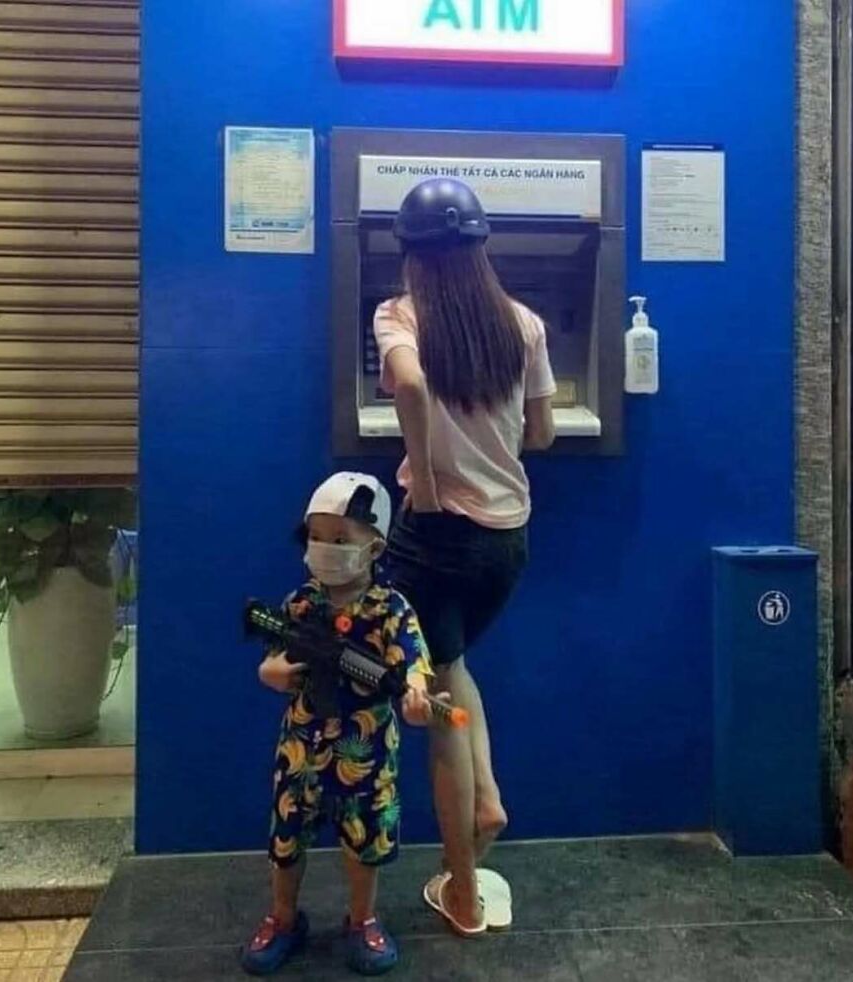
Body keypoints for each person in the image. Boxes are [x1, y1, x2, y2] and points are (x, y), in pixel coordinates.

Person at [374, 179, 557, 937]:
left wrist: (426, 471)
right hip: (507, 541)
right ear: (481, 248)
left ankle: (463, 892)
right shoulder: (522, 323)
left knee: (434, 700)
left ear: (412, 255)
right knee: (449, 668)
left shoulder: (399, 314)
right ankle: (486, 801)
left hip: (435, 536)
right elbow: (540, 436)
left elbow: (409, 382)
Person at [241, 473, 435, 977]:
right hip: (302, 744)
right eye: (316, 537)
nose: (325, 549)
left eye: (341, 540)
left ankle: (362, 919)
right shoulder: (301, 604)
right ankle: (283, 918)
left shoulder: (391, 609)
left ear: (374, 548)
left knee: (364, 841)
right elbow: (272, 658)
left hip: (365, 750)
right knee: (286, 838)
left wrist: (415, 691)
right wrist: (274, 672)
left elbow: (413, 662)